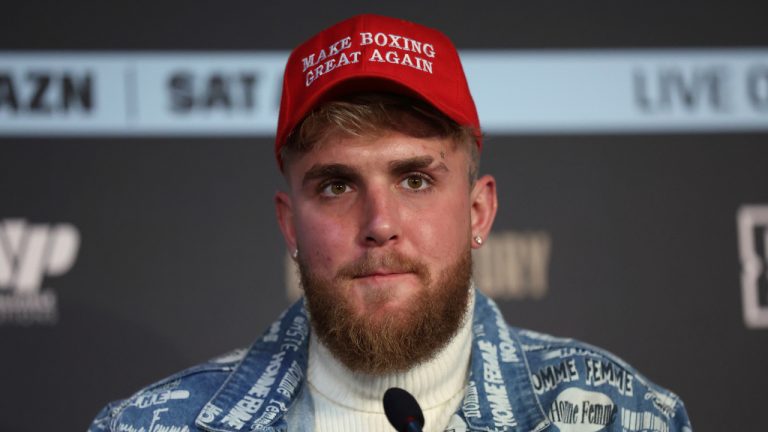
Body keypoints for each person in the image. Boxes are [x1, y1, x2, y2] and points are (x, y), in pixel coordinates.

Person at [89, 14, 692, 432]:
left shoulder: (623, 415)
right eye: (336, 185)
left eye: (415, 180)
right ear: (290, 226)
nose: (380, 223)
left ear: (478, 210)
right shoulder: (148, 425)